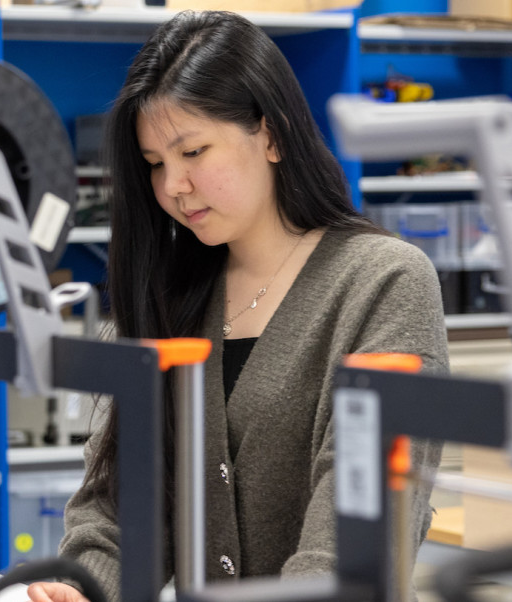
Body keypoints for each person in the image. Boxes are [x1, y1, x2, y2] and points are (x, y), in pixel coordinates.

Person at [27, 11, 448, 602]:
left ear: (271, 135)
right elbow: (116, 510)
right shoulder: (166, 291)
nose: (173, 184)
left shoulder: (384, 283)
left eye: (193, 151)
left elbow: (354, 537)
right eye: (154, 164)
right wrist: (85, 590)